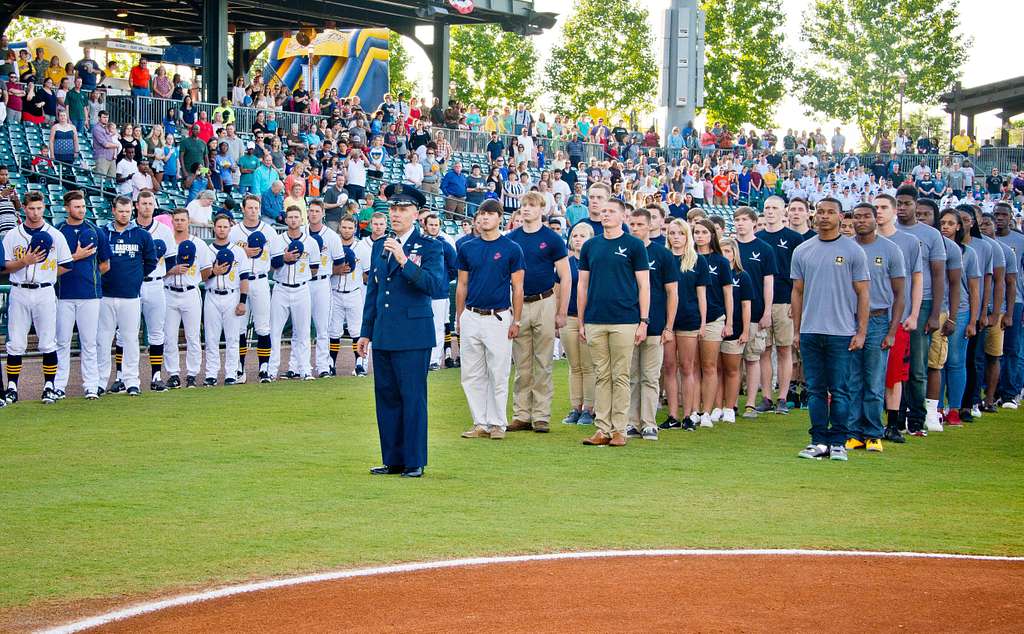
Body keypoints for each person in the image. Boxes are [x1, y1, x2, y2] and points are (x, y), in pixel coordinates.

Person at [358, 184, 446, 478]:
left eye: (402, 209)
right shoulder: (380, 245)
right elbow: (374, 291)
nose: (395, 214)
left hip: (412, 333)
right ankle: (392, 458)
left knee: (412, 398)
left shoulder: (431, 246)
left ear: (416, 214)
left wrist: (404, 261)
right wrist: (365, 332)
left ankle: (414, 460)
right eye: (392, 209)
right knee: (387, 398)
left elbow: (434, 286)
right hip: (384, 333)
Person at [792, 197, 870, 461]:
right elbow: (797, 291)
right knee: (814, 389)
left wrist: (861, 331)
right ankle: (818, 441)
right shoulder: (803, 250)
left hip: (841, 332)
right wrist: (797, 330)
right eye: (820, 212)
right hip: (811, 331)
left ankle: (838, 440)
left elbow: (863, 293)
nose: (824, 216)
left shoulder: (853, 251)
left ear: (840, 216)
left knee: (839, 389)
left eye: (830, 212)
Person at [577, 198, 650, 446]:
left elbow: (644, 285)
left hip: (625, 319)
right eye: (603, 211)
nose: (605, 214)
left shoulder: (634, 246)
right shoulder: (590, 246)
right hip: (595, 319)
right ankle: (602, 429)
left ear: (623, 216)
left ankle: (619, 429)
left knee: (620, 375)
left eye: (611, 211)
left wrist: (644, 320)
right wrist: (581, 320)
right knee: (601, 375)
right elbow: (583, 285)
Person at [456, 199, 525, 440]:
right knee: (472, 373)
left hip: (498, 316)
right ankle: (480, 422)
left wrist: (516, 320)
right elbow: (462, 284)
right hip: (472, 315)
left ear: (499, 218)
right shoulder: (466, 247)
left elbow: (518, 288)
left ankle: (498, 423)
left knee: (498, 371)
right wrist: (460, 317)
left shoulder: (511, 249)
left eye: (489, 214)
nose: (484, 218)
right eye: (481, 214)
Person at [505, 191, 571, 433]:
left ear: (542, 209)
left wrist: (562, 310)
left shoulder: (552, 239)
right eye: (523, 205)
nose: (526, 209)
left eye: (531, 205)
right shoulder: (511, 239)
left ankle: (541, 415)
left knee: (543, 361)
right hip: (520, 303)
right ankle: (521, 413)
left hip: (545, 301)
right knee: (522, 363)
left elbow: (565, 276)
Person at [846, 202, 906, 452]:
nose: (861, 221)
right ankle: (853, 432)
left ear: (875, 219)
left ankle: (873, 433)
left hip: (879, 319)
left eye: (866, 216)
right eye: (857, 217)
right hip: (848, 320)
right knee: (852, 379)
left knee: (874, 379)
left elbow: (900, 293)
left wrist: (892, 331)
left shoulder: (890, 250)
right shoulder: (845, 247)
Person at [2, 191, 73, 405]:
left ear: (44, 208)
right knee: (15, 341)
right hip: (19, 289)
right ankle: (12, 387)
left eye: (39, 208)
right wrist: (25, 261)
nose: (35, 212)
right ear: (24, 208)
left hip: (44, 291)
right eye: (31, 208)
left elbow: (67, 264)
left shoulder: (55, 235)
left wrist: (48, 276)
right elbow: (4, 267)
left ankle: (49, 386)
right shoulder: (13, 235)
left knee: (48, 340)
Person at [895, 185, 946, 436]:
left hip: (921, 304)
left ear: (916, 204)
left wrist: (935, 313)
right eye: (898, 203)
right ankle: (896, 414)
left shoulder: (930, 235)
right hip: (892, 304)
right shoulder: (887, 232)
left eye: (906, 203)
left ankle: (916, 418)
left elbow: (938, 275)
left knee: (916, 365)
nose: (901, 208)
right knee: (894, 366)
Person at [873, 193, 923, 443]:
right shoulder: (861, 240)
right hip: (867, 317)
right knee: (865, 373)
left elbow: (917, 279)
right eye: (875, 207)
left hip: (898, 318)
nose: (878, 212)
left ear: (894, 211)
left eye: (883, 207)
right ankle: (864, 421)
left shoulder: (909, 242)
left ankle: (893, 423)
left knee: (894, 374)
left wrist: (913, 314)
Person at [96, 196, 158, 397]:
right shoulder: (102, 233)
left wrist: (136, 278)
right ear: (113, 210)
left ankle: (132, 381)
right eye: (121, 210)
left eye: (127, 211)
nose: (124, 214)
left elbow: (150, 262)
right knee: (103, 340)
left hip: (131, 296)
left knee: (131, 340)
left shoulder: (141, 235)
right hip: (105, 295)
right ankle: (100, 380)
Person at [625, 207, 678, 441]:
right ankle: (631, 422)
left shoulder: (663, 254)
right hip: (626, 323)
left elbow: (672, 292)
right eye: (632, 224)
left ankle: (648, 423)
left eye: (639, 225)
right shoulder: (623, 251)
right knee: (630, 376)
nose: (635, 228)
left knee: (650, 375)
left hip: (655, 325)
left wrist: (669, 326)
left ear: (650, 226)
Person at [54, 190, 111, 400]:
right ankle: (59, 385)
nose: (81, 210)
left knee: (89, 342)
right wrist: (75, 257)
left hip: (90, 294)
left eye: (83, 206)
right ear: (67, 207)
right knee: (62, 341)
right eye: (77, 206)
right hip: (63, 293)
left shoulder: (96, 231)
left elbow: (105, 264)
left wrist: (91, 275)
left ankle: (91, 385)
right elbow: (51, 265)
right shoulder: (57, 231)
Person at [755, 195, 804, 414]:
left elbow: (801, 276)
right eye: (767, 208)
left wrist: (797, 303)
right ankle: (766, 397)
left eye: (775, 207)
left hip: (785, 301)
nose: (770, 211)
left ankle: (782, 398)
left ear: (783, 211)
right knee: (763, 351)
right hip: (762, 304)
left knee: (785, 351)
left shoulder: (794, 238)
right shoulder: (757, 238)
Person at [937, 208, 980, 426]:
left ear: (958, 227)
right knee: (937, 362)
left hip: (960, 311)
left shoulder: (968, 253)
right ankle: (936, 408)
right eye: (942, 222)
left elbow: (974, 289)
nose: (945, 226)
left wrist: (973, 320)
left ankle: (954, 408)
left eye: (950, 223)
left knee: (955, 361)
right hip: (937, 308)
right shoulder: (933, 248)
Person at [732, 207, 777, 418]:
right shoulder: (728, 247)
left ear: (753, 222)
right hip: (731, 314)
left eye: (743, 220)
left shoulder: (765, 249)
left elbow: (768, 283)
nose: (740, 223)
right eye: (737, 220)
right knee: (731, 361)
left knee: (752, 358)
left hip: (756, 311)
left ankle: (750, 403)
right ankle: (729, 404)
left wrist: (767, 311)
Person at [267, 206, 321, 380]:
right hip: (281, 287)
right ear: (286, 219)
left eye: (296, 217)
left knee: (303, 332)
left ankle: (305, 369)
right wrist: (284, 258)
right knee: (275, 331)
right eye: (290, 217)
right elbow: (273, 265)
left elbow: (314, 268)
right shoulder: (277, 239)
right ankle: (271, 370)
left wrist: (301, 275)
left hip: (302, 288)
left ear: (301, 219)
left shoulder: (311, 242)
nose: (293, 220)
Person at [230, 195, 279, 383]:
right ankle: (239, 369)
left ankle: (264, 369)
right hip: (239, 281)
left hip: (260, 279)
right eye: (249, 207)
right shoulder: (234, 231)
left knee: (263, 326)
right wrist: (243, 253)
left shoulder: (269, 231)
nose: (253, 211)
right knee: (239, 327)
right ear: (243, 209)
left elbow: (276, 259)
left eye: (255, 207)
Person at [163, 207, 213, 389]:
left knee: (193, 336)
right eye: (176, 220)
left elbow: (207, 271)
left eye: (182, 220)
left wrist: (194, 277)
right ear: (172, 221)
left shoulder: (199, 244)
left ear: (188, 221)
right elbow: (157, 269)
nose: (179, 223)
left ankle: (192, 374)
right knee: (169, 336)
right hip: (169, 291)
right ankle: (173, 374)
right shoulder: (166, 242)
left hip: (190, 291)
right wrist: (171, 270)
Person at [693, 218, 734, 426]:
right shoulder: (686, 258)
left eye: (704, 232)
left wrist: (729, 322)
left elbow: (728, 294)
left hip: (714, 318)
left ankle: (707, 412)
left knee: (709, 366)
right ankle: (694, 410)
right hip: (690, 319)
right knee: (692, 367)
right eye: (696, 232)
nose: (699, 236)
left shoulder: (721, 261)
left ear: (712, 236)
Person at [134, 190, 176, 391]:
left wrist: (158, 274)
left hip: (156, 283)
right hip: (131, 285)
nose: (147, 207)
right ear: (137, 205)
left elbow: (171, 261)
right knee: (126, 332)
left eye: (150, 203)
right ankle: (125, 377)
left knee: (157, 332)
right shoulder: (129, 227)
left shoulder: (164, 230)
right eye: (143, 203)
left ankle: (156, 376)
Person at [202, 214, 250, 386]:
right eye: (219, 226)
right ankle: (211, 374)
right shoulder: (207, 250)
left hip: (232, 295)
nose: (222, 229)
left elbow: (244, 278)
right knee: (211, 338)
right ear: (214, 228)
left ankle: (231, 373)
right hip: (212, 294)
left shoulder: (238, 251)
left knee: (233, 338)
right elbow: (202, 277)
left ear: (230, 229)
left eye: (225, 227)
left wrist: (242, 301)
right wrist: (214, 271)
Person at [302, 200, 347, 379]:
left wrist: (328, 272)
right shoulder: (301, 233)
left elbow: (340, 262)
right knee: (301, 328)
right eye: (311, 211)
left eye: (316, 211)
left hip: (321, 282)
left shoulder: (331, 236)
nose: (313, 214)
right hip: (303, 282)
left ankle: (323, 366)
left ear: (323, 213)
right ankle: (298, 366)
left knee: (323, 327)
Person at [560, 222, 596, 426]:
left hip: (590, 319)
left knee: (588, 366)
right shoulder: (566, 262)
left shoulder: (596, 261)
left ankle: (589, 409)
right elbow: (558, 290)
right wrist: (559, 315)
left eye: (582, 235)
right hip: (569, 318)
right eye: (574, 235)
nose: (578, 239)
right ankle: (576, 407)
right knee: (574, 366)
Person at [717, 237, 752, 424]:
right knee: (715, 370)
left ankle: (729, 407)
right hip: (715, 326)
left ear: (735, 253)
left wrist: (745, 330)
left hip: (735, 328)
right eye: (722, 251)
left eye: (728, 251)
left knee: (731, 369)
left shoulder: (742, 276)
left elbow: (746, 306)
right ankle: (716, 406)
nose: (725, 255)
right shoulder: (713, 272)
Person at [993, 202, 1024, 408]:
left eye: (1004, 214)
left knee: (1012, 348)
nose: (1000, 218)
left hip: (1016, 300)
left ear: (1011, 216)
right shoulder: (987, 239)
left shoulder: (1020, 240)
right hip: (992, 302)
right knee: (994, 351)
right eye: (997, 214)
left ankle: (1010, 392)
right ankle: (993, 390)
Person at [332, 215, 370, 376]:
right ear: (339, 227)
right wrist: (336, 270)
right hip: (334, 292)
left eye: (350, 227)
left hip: (355, 293)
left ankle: (359, 364)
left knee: (356, 331)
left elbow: (368, 274)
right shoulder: (333, 245)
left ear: (355, 229)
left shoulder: (361, 247)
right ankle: (330, 365)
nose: (347, 230)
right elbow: (324, 269)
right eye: (344, 227)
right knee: (333, 331)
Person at [423, 213, 458, 372]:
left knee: (437, 327)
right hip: (421, 292)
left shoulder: (446, 245)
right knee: (421, 326)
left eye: (436, 225)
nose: (433, 227)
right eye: (431, 224)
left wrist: (442, 280)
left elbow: (454, 268)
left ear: (440, 226)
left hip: (439, 293)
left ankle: (434, 360)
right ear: (425, 225)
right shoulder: (419, 242)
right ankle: (422, 358)